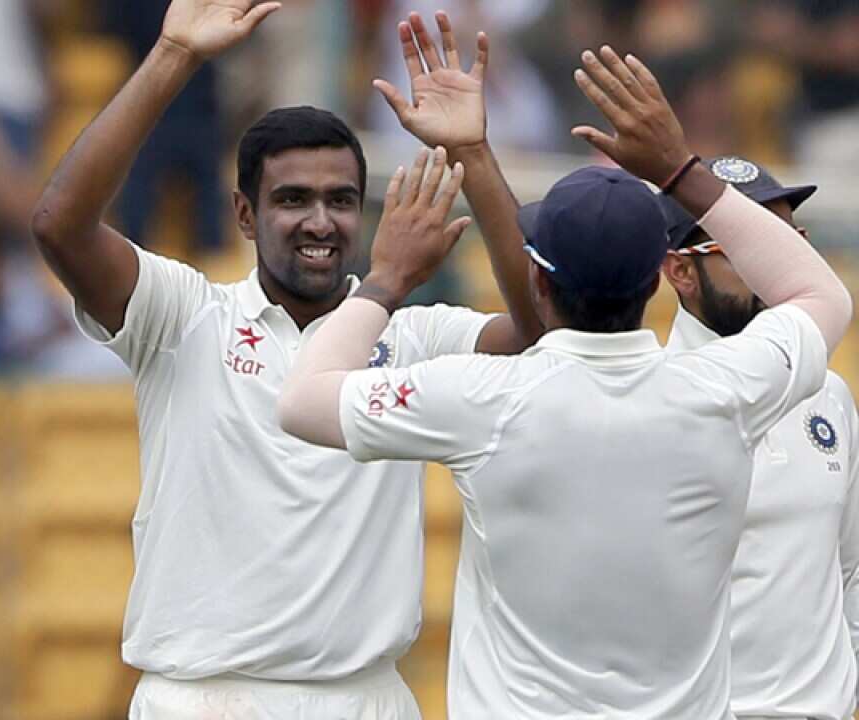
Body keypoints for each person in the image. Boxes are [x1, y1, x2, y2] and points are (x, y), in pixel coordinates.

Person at [278, 24, 852, 719]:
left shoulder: (482, 395)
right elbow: (819, 294)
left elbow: (303, 401)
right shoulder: (724, 391)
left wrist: (387, 281)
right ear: (655, 283)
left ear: (540, 288)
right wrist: (679, 168)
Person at [30, 0, 543, 715]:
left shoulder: (416, 338)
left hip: (361, 698)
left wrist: (475, 155)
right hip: (200, 700)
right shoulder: (185, 315)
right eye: (292, 199)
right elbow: (60, 226)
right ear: (244, 215)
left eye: (340, 200)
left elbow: (543, 330)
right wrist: (173, 55)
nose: (320, 222)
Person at [658, 156, 859, 720]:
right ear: (679, 271)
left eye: (787, 241)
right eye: (747, 246)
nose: (778, 268)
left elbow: (850, 569)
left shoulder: (830, 396)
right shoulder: (649, 400)